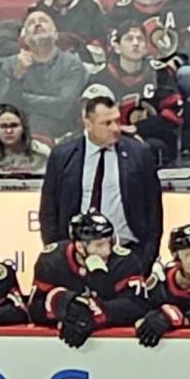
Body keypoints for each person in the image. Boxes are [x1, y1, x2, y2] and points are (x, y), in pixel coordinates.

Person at [38, 94, 164, 276]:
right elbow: (49, 210)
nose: (115, 128)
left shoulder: (139, 154)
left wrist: (146, 259)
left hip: (127, 253)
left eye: (117, 121)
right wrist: (58, 255)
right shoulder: (62, 156)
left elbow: (153, 211)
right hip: (76, 256)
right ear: (88, 124)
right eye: (107, 123)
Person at [31, 211, 150, 347]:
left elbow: (138, 305)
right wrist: (64, 305)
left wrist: (93, 313)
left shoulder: (125, 261)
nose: (107, 251)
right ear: (80, 247)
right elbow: (34, 308)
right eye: (99, 245)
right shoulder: (52, 261)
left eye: (109, 242)